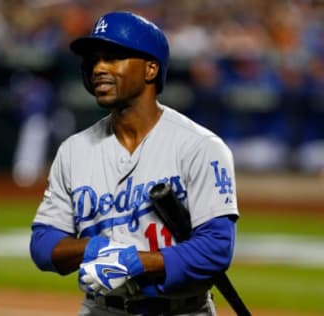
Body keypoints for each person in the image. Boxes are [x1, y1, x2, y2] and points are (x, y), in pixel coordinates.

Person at [30, 11, 239, 316]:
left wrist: (135, 262)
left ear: (151, 69)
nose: (98, 68)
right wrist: (96, 250)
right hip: (100, 309)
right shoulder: (73, 151)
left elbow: (216, 248)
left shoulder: (200, 146)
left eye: (113, 57)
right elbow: (43, 244)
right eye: (94, 60)